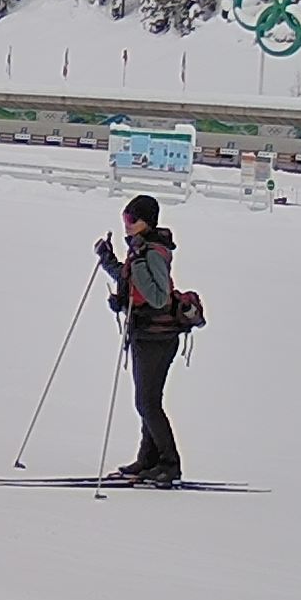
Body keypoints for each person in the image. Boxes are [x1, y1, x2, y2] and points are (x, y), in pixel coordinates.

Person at [97, 192, 183, 486]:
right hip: (144, 334)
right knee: (147, 401)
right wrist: (108, 260)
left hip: (159, 337)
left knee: (147, 403)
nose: (127, 223)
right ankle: (148, 459)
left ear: (147, 222)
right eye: (125, 217)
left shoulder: (154, 252)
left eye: (132, 219)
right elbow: (131, 282)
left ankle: (170, 465)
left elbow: (158, 297)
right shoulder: (140, 250)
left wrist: (136, 264)